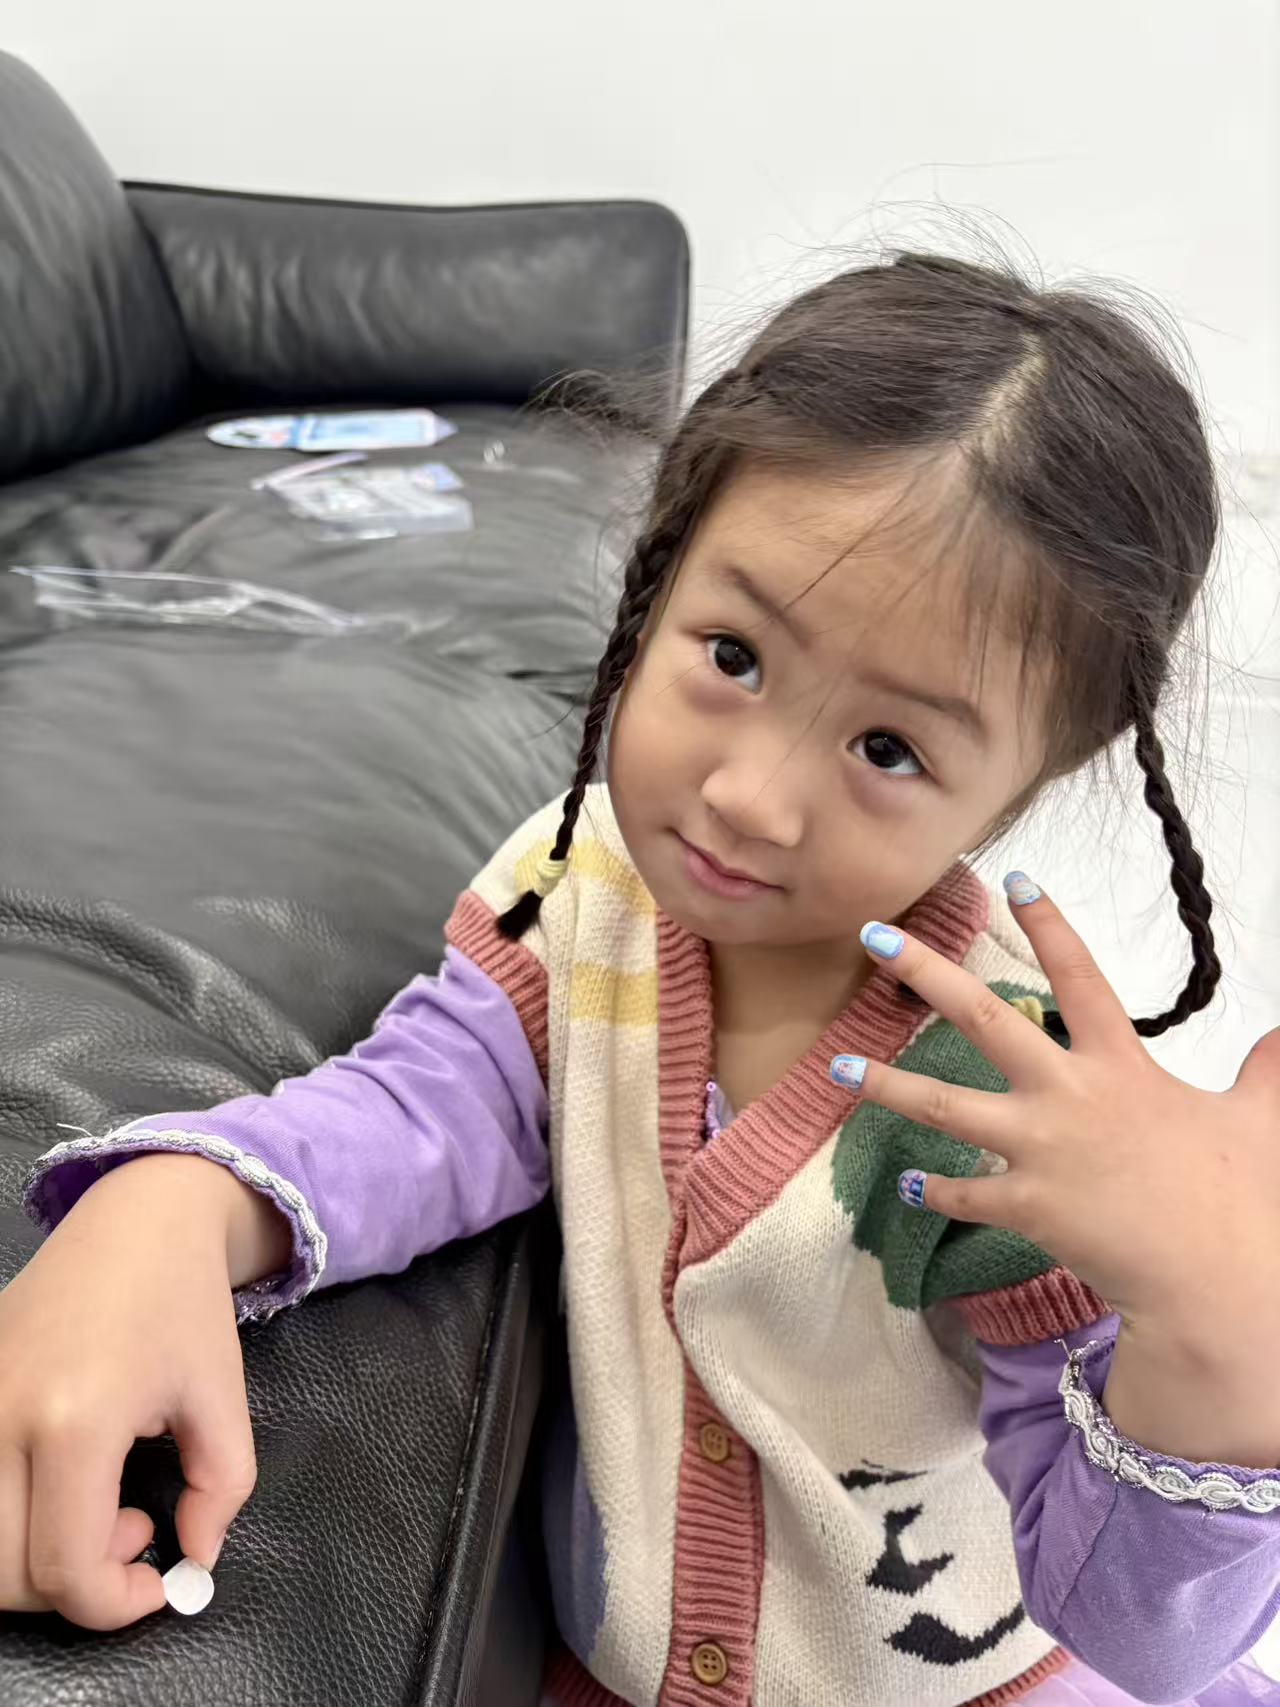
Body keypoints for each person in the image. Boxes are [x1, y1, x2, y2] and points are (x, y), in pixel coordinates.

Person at [3, 253, 1279, 1707]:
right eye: (732, 655)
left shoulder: (988, 1102)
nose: (748, 799)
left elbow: (1144, 1633)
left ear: (1031, 775)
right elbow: (428, 1104)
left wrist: (1226, 1350)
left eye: (887, 750)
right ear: (658, 570)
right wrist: (176, 1204)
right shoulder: (580, 890)